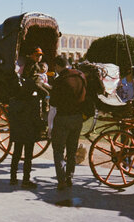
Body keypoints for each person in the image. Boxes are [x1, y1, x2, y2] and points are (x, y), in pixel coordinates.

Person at [50, 56, 87, 190]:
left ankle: (61, 180)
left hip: (63, 118)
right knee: (71, 150)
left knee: (58, 150)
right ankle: (69, 177)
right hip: (77, 118)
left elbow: (53, 102)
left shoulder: (60, 80)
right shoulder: (81, 75)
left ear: (58, 66)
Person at [8, 76, 41, 189]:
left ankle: (13, 178)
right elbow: (36, 119)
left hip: (18, 131)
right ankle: (26, 180)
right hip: (29, 131)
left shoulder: (14, 100)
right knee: (28, 157)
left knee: (16, 154)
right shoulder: (34, 101)